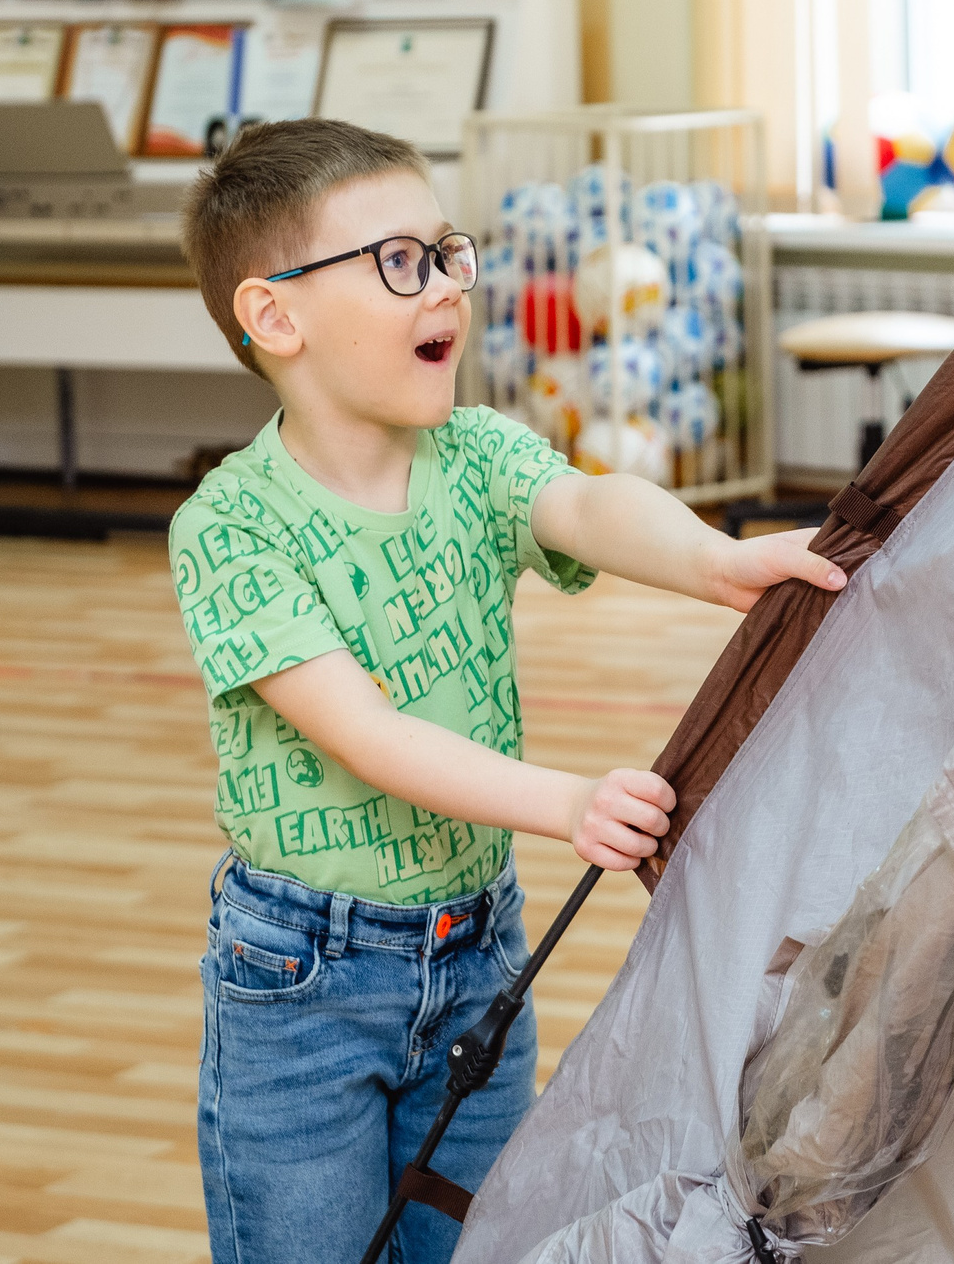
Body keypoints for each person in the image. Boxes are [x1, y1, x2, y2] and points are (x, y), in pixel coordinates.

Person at [170, 118, 841, 1264]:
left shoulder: (474, 456)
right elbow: (368, 737)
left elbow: (585, 506)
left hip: (477, 953)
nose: (445, 287)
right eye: (398, 262)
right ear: (275, 316)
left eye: (446, 253)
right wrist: (566, 801)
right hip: (302, 986)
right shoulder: (229, 529)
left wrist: (712, 558)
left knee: (473, 1245)